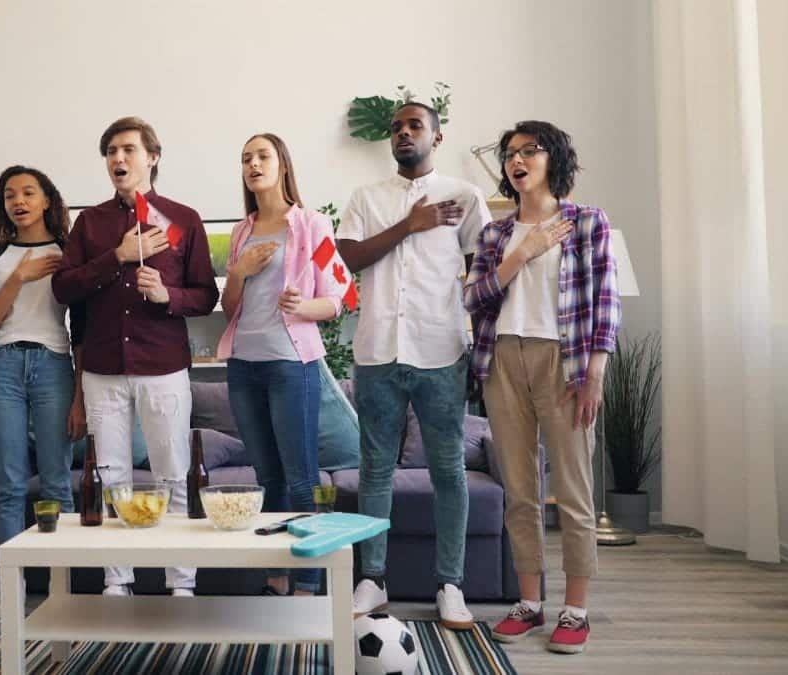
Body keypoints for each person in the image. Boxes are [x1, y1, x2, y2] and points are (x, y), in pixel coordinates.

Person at [464, 120, 620, 655]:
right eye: (510, 154)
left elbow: (605, 302)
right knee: (519, 491)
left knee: (574, 491)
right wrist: (521, 253)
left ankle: (575, 609)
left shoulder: (587, 223)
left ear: (552, 158)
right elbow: (475, 298)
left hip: (566, 362)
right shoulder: (495, 234)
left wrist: (594, 373)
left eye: (530, 151)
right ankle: (529, 603)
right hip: (503, 357)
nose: (517, 160)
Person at [336, 102, 490, 629]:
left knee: (449, 471)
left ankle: (450, 585)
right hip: (377, 350)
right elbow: (349, 260)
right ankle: (372, 581)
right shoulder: (366, 198)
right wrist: (411, 224)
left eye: (415, 125)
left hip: (441, 350)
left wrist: (481, 345)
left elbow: (485, 273)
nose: (404, 132)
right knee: (375, 469)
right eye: (398, 127)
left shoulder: (466, 197)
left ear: (437, 137)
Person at [51, 116, 219, 597]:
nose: (118, 159)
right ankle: (117, 582)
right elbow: (63, 288)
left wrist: (169, 297)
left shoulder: (183, 219)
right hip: (102, 370)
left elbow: (205, 295)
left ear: (153, 156)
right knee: (113, 478)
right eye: (110, 152)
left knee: (172, 475)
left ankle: (181, 585)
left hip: (163, 365)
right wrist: (118, 258)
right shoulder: (90, 223)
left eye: (127, 150)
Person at [217, 133, 346, 597]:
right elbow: (231, 306)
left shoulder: (312, 225)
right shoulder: (241, 231)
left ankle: (310, 582)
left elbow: (341, 298)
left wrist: (304, 305)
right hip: (244, 367)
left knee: (300, 477)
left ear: (283, 166)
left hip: (292, 366)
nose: (253, 164)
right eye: (246, 157)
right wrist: (240, 271)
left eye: (262, 156)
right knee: (265, 476)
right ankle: (276, 580)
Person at [0, 165, 87, 548]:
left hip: (54, 365)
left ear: (47, 200)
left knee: (57, 482)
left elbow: (82, 330)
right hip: (4, 365)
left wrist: (80, 399)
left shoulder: (68, 251)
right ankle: (13, 591)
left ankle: (65, 588)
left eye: (27, 193)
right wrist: (19, 277)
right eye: (9, 195)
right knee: (10, 485)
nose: (18, 201)